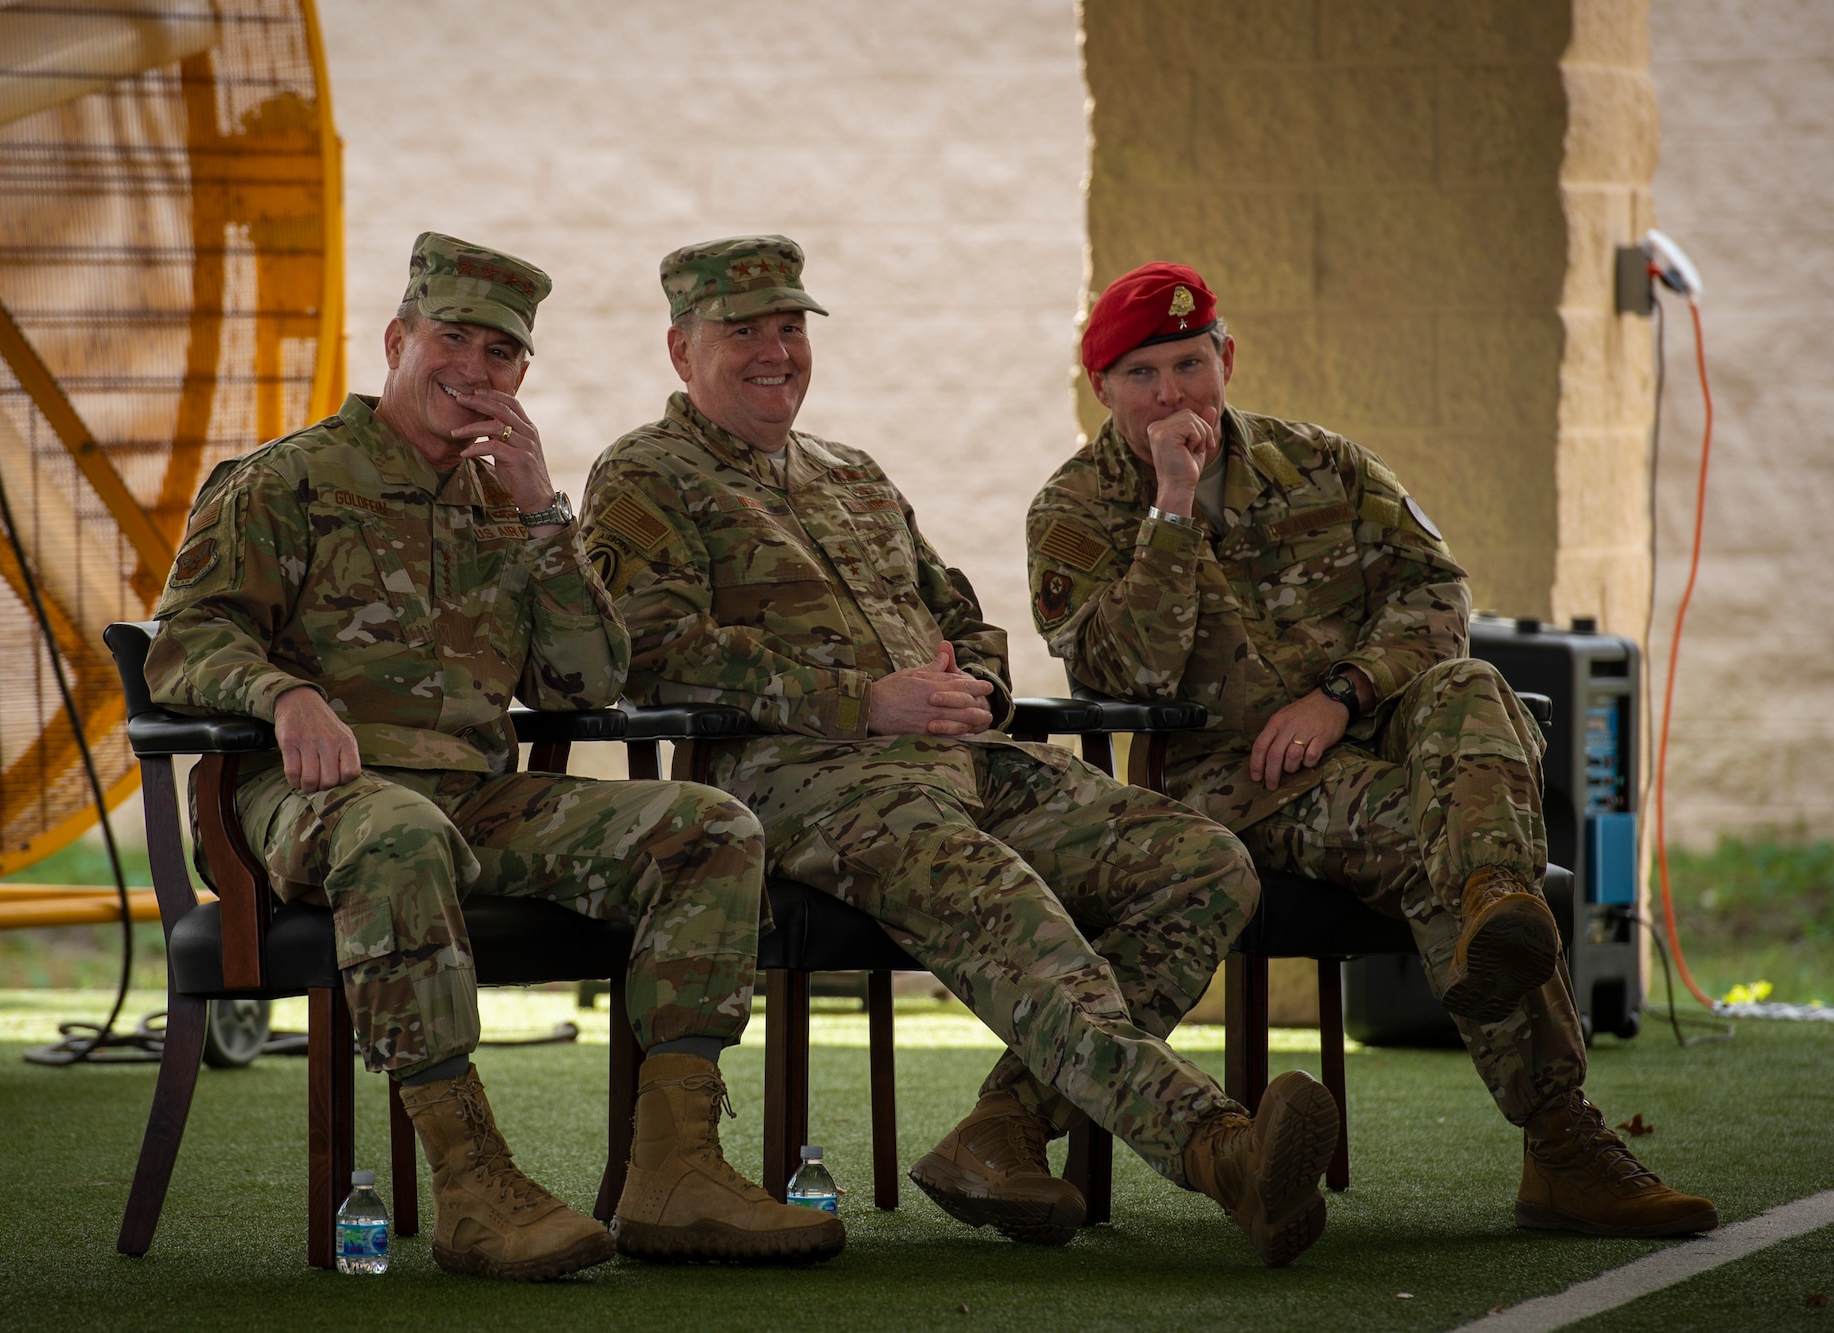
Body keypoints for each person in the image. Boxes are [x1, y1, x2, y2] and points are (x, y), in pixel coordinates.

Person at [582, 234, 1340, 1268]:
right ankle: (1220, 1148)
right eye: (742, 331)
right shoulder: (642, 474)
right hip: (806, 784)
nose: (776, 351)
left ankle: (1000, 1131)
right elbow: (650, 653)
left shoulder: (851, 473)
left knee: (1204, 863)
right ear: (681, 349)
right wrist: (862, 698)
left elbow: (961, 616)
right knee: (1002, 900)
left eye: (791, 327)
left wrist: (973, 683)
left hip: (962, 761)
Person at [145, 232, 844, 1280]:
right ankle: (472, 1186)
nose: (475, 370)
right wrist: (282, 692)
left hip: (475, 796)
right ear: (397, 339)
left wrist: (542, 518)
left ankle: (675, 1168)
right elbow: (184, 638)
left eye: (503, 355)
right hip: (309, 796)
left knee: (708, 827)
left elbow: (583, 682)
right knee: (396, 833)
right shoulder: (284, 482)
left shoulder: (503, 506)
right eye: (452, 339)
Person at [1027, 261, 1717, 1239]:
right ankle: (1561, 1143)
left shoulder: (1323, 463)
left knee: (1471, 688)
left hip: (1374, 727)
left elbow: (1439, 599)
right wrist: (1171, 508)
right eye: (1142, 374)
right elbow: (1126, 673)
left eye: (1190, 362)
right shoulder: (1070, 512)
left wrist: (1337, 693)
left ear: (1226, 357)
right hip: (1234, 784)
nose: (1172, 394)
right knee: (1440, 838)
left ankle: (1494, 901)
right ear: (1098, 387)